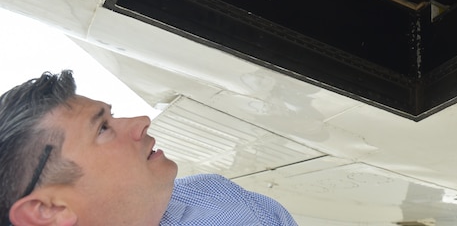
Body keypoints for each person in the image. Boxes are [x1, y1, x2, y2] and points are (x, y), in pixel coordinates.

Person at [0, 70, 299, 226]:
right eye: (102, 128)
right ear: (49, 210)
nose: (142, 121)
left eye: (111, 116)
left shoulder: (213, 195)